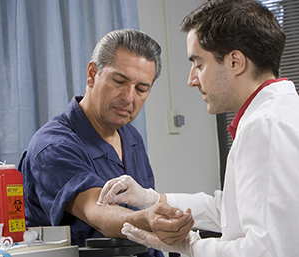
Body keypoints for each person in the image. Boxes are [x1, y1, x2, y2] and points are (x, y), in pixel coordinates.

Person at [98, 0, 299, 256]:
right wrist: (148, 198)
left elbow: (266, 250)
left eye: (199, 64)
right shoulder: (277, 113)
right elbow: (229, 208)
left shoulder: (266, 126)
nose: (192, 79)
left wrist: (191, 247)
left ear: (235, 62)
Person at [18, 28, 169, 257]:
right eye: (119, 81)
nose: (129, 98)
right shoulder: (53, 146)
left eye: (141, 89)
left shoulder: (131, 137)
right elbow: (98, 213)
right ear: (91, 74)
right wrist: (155, 220)